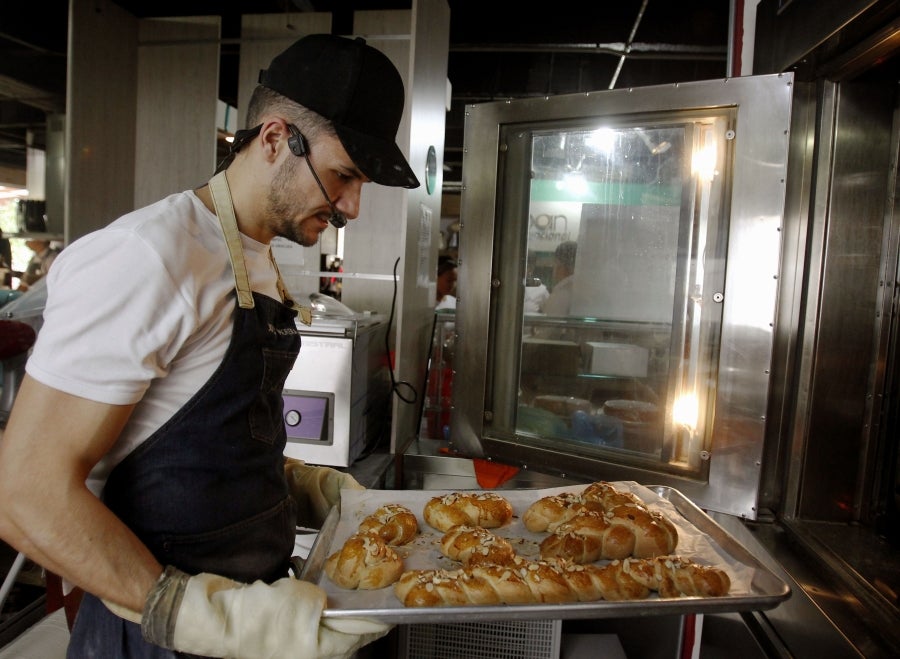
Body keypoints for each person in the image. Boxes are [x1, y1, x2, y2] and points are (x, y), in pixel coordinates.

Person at [0, 34, 419, 659]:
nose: (352, 207)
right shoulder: (150, 256)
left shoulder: (256, 258)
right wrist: (207, 620)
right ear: (274, 139)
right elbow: (24, 492)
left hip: (243, 616)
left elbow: (199, 446)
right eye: (343, 176)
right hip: (157, 637)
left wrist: (300, 485)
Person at [542, 240, 577, 317]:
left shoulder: (563, 292)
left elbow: (549, 323)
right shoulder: (585, 288)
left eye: (554, 263)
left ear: (559, 264)